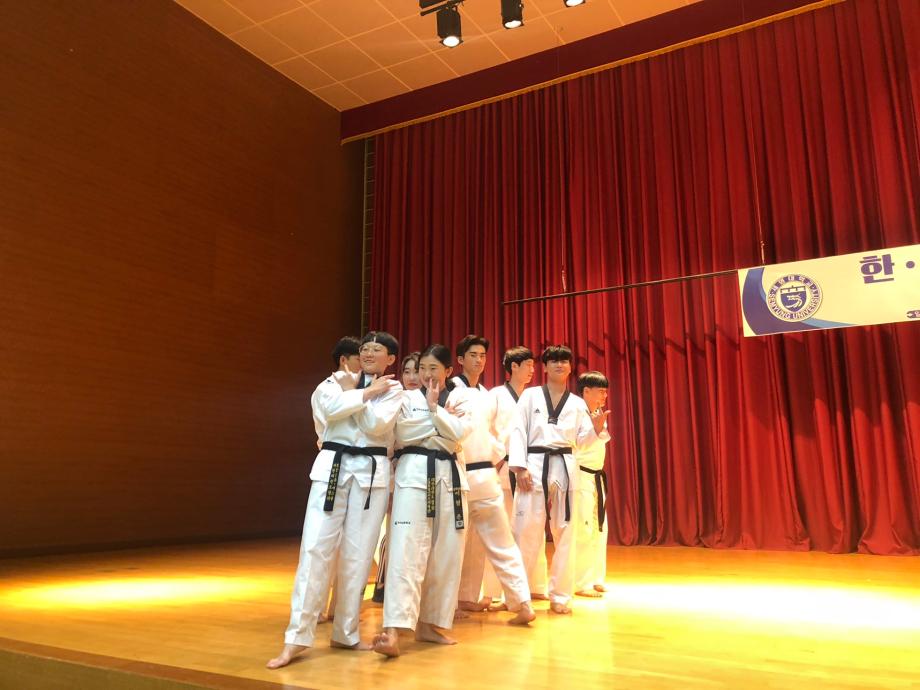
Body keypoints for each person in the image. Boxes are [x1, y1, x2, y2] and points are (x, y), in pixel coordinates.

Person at [268, 332, 402, 668]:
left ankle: (346, 632)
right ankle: (296, 638)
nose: (368, 353)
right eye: (365, 348)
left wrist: (353, 399)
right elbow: (327, 413)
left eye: (377, 349)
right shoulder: (330, 384)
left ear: (390, 359)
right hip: (332, 468)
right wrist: (365, 394)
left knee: (358, 555)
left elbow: (376, 425)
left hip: (370, 475)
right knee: (314, 549)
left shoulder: (394, 389)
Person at [373, 344, 473, 657]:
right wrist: (440, 424)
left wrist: (434, 411)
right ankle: (393, 629)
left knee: (447, 553)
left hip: (451, 480)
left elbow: (461, 432)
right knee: (406, 550)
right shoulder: (404, 399)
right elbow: (403, 433)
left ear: (448, 371)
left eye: (433, 368)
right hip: (414, 476)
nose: (426, 374)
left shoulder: (461, 397)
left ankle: (430, 625)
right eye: (422, 368)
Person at [509, 345, 610, 614]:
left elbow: (583, 443)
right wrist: (519, 467)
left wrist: (596, 430)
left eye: (564, 361)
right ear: (544, 367)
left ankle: (561, 596)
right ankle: (519, 596)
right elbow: (517, 431)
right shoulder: (530, 396)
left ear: (570, 367)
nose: (559, 364)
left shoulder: (577, 403)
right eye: (553, 360)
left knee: (566, 532)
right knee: (526, 530)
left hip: (565, 465)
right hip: (534, 463)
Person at [451, 336, 535, 625]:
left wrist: (499, 458)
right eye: (473, 354)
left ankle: (521, 602)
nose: (479, 360)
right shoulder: (450, 389)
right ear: (460, 360)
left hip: (486, 473)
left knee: (498, 541)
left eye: (483, 355)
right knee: (459, 542)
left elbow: (494, 435)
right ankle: (457, 599)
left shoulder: (487, 395)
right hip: (458, 473)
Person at [483, 346, 546, 604]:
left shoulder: (537, 396)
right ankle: (494, 591)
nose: (532, 369)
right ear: (513, 367)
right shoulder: (496, 395)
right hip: (504, 467)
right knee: (502, 529)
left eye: (533, 365)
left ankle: (534, 584)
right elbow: (484, 429)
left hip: (533, 468)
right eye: (527, 365)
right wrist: (499, 458)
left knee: (533, 527)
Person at [307, 336, 361, 622]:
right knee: (323, 543)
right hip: (334, 463)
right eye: (359, 358)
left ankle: (341, 608)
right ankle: (314, 608)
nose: (364, 363)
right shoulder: (326, 389)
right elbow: (331, 420)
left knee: (352, 546)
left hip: (360, 468)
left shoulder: (364, 388)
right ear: (344, 360)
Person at [372, 354, 422, 603]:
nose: (412, 377)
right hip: (395, 466)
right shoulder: (394, 399)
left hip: (422, 469)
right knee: (392, 530)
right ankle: (382, 584)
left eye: (416, 371)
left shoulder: (431, 401)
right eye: (407, 371)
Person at [574, 371, 610, 597]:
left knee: (600, 528)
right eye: (601, 391)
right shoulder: (575, 411)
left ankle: (597, 577)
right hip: (581, 477)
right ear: (586, 391)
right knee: (584, 529)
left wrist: (598, 426)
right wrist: (596, 428)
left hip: (597, 477)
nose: (604, 396)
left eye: (606, 392)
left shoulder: (597, 413)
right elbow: (577, 445)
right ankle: (581, 582)